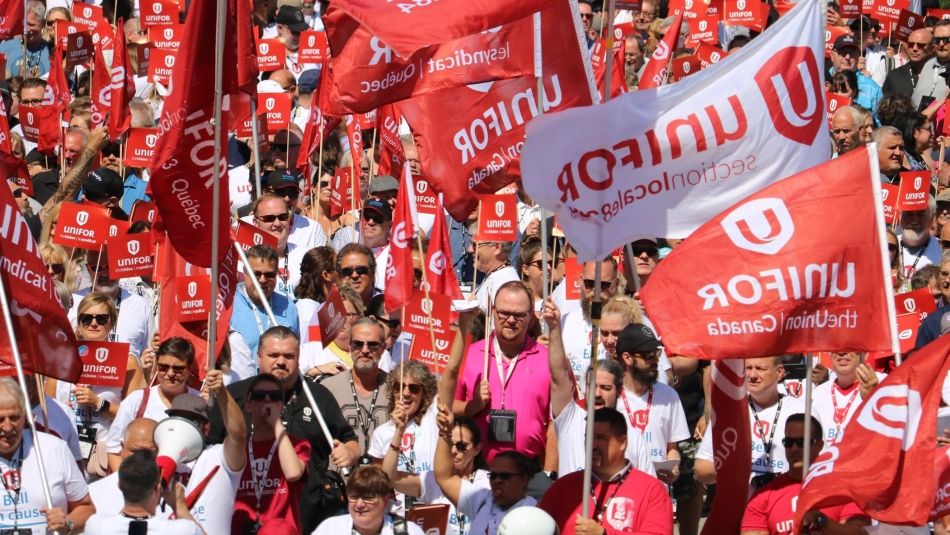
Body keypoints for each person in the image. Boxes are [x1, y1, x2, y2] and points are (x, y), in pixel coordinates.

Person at [209, 326, 361, 533]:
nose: (281, 361)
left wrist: (349, 452)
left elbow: (349, 440)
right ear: (259, 357)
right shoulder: (235, 395)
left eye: (288, 356)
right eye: (273, 355)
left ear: (298, 358)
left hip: (306, 517)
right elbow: (211, 447)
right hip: (242, 515)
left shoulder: (317, 396)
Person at [454, 281, 551, 462]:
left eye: (519, 315)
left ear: (530, 316)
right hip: (477, 468)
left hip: (528, 471)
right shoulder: (469, 354)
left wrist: (549, 473)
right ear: (492, 311)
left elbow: (556, 423)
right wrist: (473, 405)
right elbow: (447, 408)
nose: (511, 320)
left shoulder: (548, 359)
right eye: (504, 313)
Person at [539, 408, 673, 535]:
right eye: (588, 437)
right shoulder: (563, 487)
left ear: (622, 443)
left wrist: (605, 534)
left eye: (600, 438)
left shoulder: (652, 490)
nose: (592, 444)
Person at [740, 414, 870, 535]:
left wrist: (820, 520)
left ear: (819, 445)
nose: (794, 448)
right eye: (789, 442)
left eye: (802, 442)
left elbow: (860, 531)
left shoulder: (842, 490)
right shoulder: (764, 496)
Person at [695, 357, 808, 491]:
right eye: (748, 368)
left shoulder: (802, 410)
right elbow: (701, 469)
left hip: (787, 502)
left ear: (779, 372)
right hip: (741, 505)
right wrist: (732, 465)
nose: (752, 375)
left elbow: (820, 463)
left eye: (760, 369)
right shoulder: (729, 411)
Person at [0, 377, 93, 533]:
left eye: (14, 418)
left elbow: (86, 508)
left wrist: (68, 523)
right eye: (0, 419)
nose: (8, 427)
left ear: (25, 416)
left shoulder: (54, 448)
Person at [433, 404, 537, 535]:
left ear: (523, 479)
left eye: (504, 476)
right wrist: (445, 433)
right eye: (493, 476)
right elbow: (444, 477)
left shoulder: (532, 514)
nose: (497, 481)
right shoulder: (482, 500)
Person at [105, 337, 203, 471]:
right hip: (142, 487)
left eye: (178, 369)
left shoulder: (201, 402)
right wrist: (126, 486)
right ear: (156, 365)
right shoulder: (137, 400)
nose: (170, 373)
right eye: (163, 367)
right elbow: (113, 448)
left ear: (189, 368)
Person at [233, 373, 310, 534]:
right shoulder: (239, 447)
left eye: (274, 397)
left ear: (282, 405)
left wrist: (276, 422)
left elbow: (293, 473)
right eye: (259, 396)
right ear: (248, 405)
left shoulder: (298, 444)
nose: (267, 401)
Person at [613, 323, 688, 485]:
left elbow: (672, 448)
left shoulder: (669, 396)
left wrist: (674, 468)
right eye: (648, 355)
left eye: (656, 353)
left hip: (656, 490)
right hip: (620, 489)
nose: (655, 359)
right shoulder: (611, 396)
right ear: (627, 358)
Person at [320, 318, 392, 467]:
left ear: (383, 348)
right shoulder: (327, 388)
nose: (365, 351)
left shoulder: (398, 388)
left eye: (373, 345)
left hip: (383, 485)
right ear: (349, 346)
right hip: (339, 484)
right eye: (358, 344)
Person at [84, 450, 204, 534]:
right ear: (158, 489)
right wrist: (179, 506)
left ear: (119, 485)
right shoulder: (183, 530)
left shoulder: (96, 526)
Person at [368, 361, 440, 483]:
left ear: (424, 393)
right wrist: (399, 430)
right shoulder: (381, 433)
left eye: (414, 388)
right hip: (396, 501)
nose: (406, 393)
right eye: (399, 387)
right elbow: (379, 482)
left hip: (429, 499)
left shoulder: (432, 418)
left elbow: (451, 375)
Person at [311, 465, 426, 535]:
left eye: (368, 498)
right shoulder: (331, 528)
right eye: (354, 497)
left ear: (385, 501)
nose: (359, 505)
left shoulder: (408, 531)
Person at [231, 244, 300, 357]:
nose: (262, 280)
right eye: (256, 274)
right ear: (244, 272)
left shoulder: (288, 307)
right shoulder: (229, 306)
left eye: (269, 275)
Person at [88, 418, 162, 516]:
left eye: (150, 452)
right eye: (135, 451)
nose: (141, 458)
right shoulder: (94, 493)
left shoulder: (175, 496)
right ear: (122, 448)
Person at [811, 352, 883, 444]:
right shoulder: (815, 395)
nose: (842, 352)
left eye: (849, 347)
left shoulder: (884, 383)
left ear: (864, 353)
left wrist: (873, 399)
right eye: (837, 348)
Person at [473, 239, 520, 314]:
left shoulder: (506, 285)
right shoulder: (495, 274)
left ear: (497, 247)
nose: (470, 249)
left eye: (475, 245)